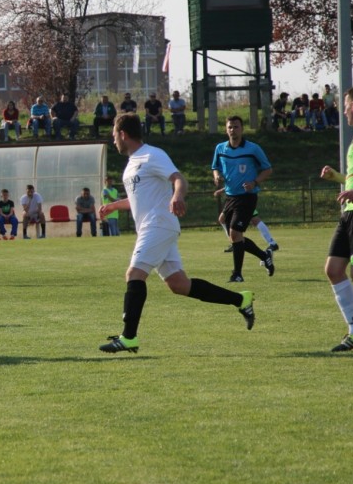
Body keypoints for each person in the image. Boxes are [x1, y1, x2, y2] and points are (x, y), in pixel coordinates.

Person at [97, 112, 256, 354]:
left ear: (123, 134)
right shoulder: (131, 164)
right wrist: (114, 206)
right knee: (179, 284)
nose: (113, 140)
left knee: (134, 274)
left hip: (158, 224)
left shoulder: (152, 155)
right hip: (154, 227)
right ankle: (241, 300)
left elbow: (179, 179)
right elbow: (140, 199)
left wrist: (177, 196)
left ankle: (128, 337)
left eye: (114, 135)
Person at [321, 84, 353, 352]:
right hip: (351, 212)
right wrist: (338, 178)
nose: (342, 112)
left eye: (344, 106)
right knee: (333, 269)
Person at [211, 115, 274, 282]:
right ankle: (264, 256)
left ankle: (237, 274)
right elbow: (215, 167)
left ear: (242, 129)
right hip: (230, 197)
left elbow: (267, 169)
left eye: (236, 127)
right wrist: (217, 176)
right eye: (230, 127)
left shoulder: (253, 149)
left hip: (247, 197)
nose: (233, 130)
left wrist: (255, 182)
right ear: (226, 129)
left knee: (235, 233)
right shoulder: (220, 148)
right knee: (235, 237)